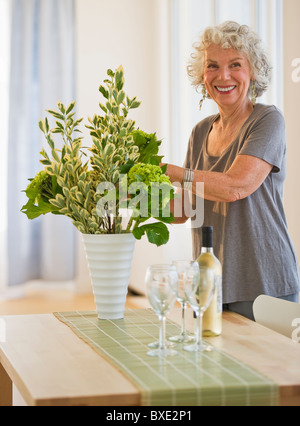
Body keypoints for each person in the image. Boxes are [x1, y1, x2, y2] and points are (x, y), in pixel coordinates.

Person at [164, 21, 300, 321]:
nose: (223, 76)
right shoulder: (200, 131)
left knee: (264, 369)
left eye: (235, 65)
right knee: (214, 368)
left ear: (253, 72)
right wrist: (132, 191)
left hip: (265, 283)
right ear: (203, 74)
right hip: (210, 282)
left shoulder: (267, 120)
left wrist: (169, 172)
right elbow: (184, 209)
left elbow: (235, 186)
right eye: (213, 66)